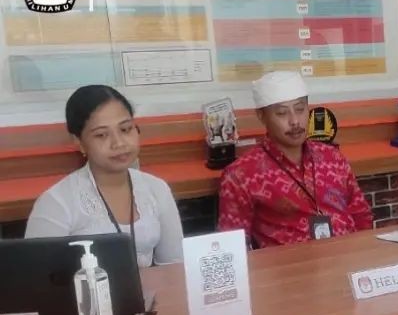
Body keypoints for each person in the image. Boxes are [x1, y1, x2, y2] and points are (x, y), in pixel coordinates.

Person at [25, 85, 183, 267]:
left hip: (150, 287)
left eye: (125, 129)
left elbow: (174, 264)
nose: (119, 143)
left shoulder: (156, 188)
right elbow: (36, 276)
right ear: (79, 142)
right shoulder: (56, 203)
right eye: (101, 135)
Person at [217, 71, 372, 247]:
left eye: (300, 110)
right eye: (282, 113)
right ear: (262, 116)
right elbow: (233, 245)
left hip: (348, 256)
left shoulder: (332, 157)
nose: (295, 121)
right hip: (290, 264)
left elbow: (361, 214)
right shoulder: (240, 175)